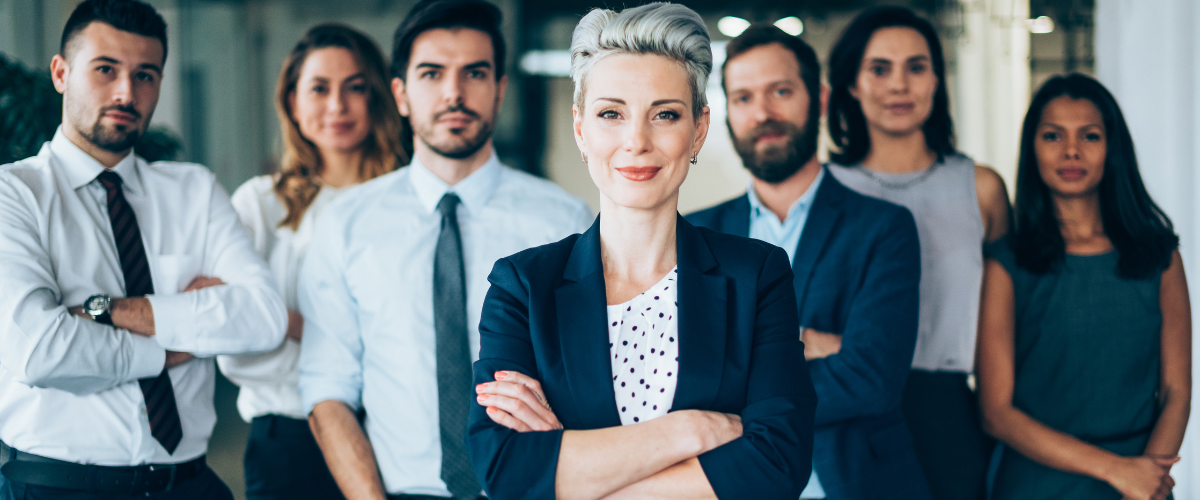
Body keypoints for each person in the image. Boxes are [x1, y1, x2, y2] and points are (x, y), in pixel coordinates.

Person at [467, 5, 816, 500]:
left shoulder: (755, 275)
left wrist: (572, 469)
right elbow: (504, 469)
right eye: (611, 113)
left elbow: (777, 464)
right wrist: (689, 432)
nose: (637, 141)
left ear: (698, 129)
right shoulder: (523, 285)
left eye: (665, 114)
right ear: (581, 128)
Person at [297, 0, 593, 498]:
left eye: (474, 73)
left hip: (530, 487)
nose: (454, 93)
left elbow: (588, 380)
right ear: (401, 94)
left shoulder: (564, 223)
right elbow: (327, 389)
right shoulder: (347, 224)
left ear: (500, 90)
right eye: (432, 74)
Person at [0, 0, 287, 498]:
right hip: (58, 485)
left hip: (191, 484)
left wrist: (103, 311)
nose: (126, 92)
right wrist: (182, 333)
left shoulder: (194, 190)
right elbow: (39, 352)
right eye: (106, 70)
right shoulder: (14, 194)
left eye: (146, 75)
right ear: (61, 73)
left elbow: (263, 317)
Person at [687, 24, 929, 500]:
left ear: (818, 98)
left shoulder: (884, 228)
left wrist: (743, 358)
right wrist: (805, 342)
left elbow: (871, 379)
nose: (763, 113)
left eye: (781, 91)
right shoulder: (694, 236)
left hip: (854, 482)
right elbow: (679, 376)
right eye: (743, 98)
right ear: (724, 116)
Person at [822, 7, 1011, 499]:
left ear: (936, 81)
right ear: (852, 85)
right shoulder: (823, 190)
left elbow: (1011, 324)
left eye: (916, 66)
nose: (899, 85)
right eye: (879, 68)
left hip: (950, 414)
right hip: (850, 411)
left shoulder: (982, 189)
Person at [216, 24, 407, 500]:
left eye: (355, 87)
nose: (337, 106)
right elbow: (230, 332)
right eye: (319, 88)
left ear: (380, 98)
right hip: (289, 440)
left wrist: (294, 324)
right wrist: (349, 333)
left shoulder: (412, 204)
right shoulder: (261, 204)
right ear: (293, 103)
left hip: (395, 433)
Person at [978, 73, 1190, 500]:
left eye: (1089, 136)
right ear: (1032, 148)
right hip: (1036, 482)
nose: (1071, 150)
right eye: (1053, 135)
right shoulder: (1007, 263)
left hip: (1141, 480)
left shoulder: (1159, 256)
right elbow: (996, 413)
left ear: (1112, 148)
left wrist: (1144, 484)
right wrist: (1116, 471)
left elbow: (1177, 391)